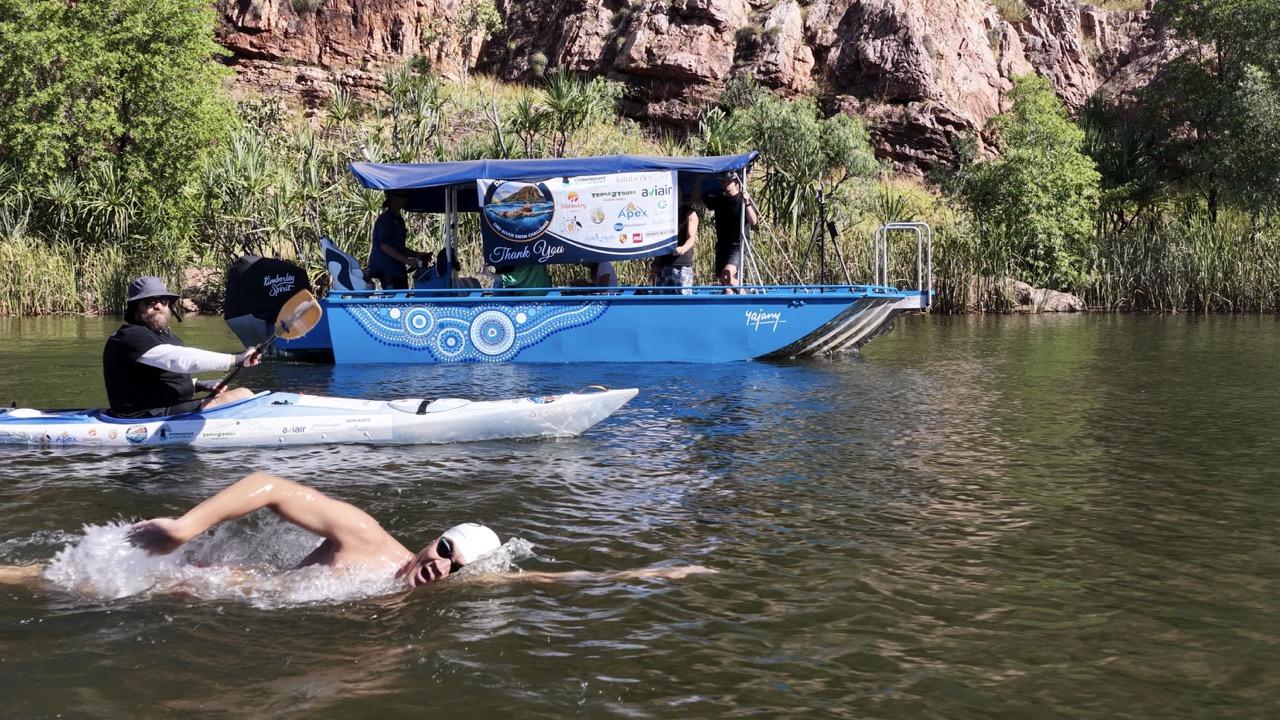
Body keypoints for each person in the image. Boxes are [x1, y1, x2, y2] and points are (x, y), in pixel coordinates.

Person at [120, 472, 712, 589]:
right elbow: (271, 484)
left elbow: (554, 578)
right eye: (445, 549)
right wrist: (183, 528)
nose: (442, 565)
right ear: (435, 537)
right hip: (209, 580)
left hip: (226, 602)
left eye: (456, 568)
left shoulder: (444, 583)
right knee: (59, 583)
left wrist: (648, 573)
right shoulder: (367, 538)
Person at [103, 276, 262, 418]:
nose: (159, 306)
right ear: (136, 308)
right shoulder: (131, 336)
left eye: (164, 301)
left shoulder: (168, 338)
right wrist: (237, 359)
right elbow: (180, 361)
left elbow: (160, 380)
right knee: (241, 395)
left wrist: (198, 385)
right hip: (143, 415)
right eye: (151, 302)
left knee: (242, 393)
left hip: (164, 409)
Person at [695, 171, 758, 293]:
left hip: (739, 245)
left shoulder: (742, 199)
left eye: (728, 181)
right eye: (723, 181)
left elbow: (754, 221)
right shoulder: (719, 200)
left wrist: (748, 202)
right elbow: (696, 200)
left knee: (726, 276)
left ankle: (750, 296)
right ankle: (733, 309)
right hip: (723, 246)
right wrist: (698, 180)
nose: (725, 184)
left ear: (735, 182)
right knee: (726, 286)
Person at [368, 190, 431, 290]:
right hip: (388, 269)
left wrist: (418, 255)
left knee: (403, 299)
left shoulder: (399, 220)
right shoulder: (386, 219)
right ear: (392, 197)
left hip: (398, 270)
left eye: (407, 196)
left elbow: (398, 248)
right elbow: (385, 246)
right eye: (402, 196)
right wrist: (407, 261)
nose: (405, 199)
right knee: (395, 302)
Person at [652, 203, 699, 293]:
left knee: (684, 300)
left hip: (682, 265)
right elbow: (658, 240)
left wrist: (683, 248)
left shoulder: (689, 212)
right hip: (664, 265)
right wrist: (656, 262)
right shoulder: (661, 213)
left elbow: (692, 237)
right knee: (661, 301)